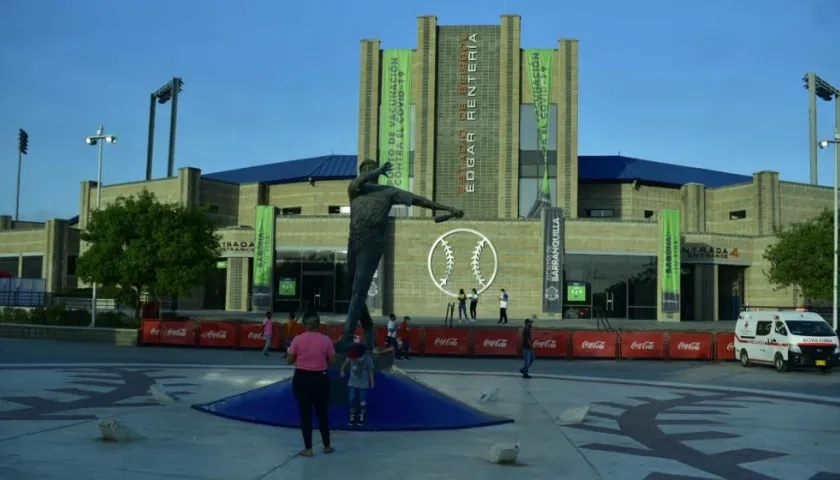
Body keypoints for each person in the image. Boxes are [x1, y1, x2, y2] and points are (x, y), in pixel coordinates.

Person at [338, 159, 464, 353]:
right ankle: (369, 329)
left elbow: (418, 199)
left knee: (358, 290)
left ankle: (347, 336)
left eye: (373, 170)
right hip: (354, 241)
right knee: (350, 290)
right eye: (366, 171)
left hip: (372, 244)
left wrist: (447, 209)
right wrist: (375, 171)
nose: (369, 173)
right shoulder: (355, 191)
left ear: (378, 174)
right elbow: (357, 182)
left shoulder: (388, 192)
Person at [286, 314, 335, 457]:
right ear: (319, 325)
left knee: (305, 414)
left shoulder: (298, 339)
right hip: (320, 378)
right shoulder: (325, 340)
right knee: (322, 413)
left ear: (304, 325)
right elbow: (332, 360)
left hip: (302, 378)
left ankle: (308, 449)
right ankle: (326, 446)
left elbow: (289, 360)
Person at [340, 343, 375, 427]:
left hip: (363, 384)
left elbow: (371, 371)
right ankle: (352, 416)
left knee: (362, 401)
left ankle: (362, 416)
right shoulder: (351, 357)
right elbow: (345, 363)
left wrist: (372, 382)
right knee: (351, 400)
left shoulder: (367, 359)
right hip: (352, 383)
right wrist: (342, 371)